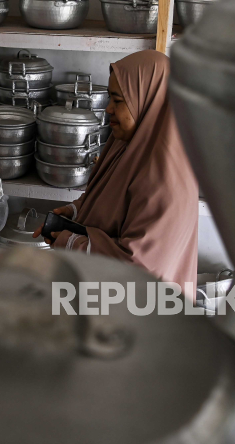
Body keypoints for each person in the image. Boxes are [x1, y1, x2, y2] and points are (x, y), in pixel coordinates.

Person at [34, 50, 198, 293]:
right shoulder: (127, 143)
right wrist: (77, 209)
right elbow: (113, 198)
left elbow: (141, 269)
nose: (108, 109)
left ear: (149, 101)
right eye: (111, 99)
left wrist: (71, 242)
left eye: (118, 101)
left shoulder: (165, 178)